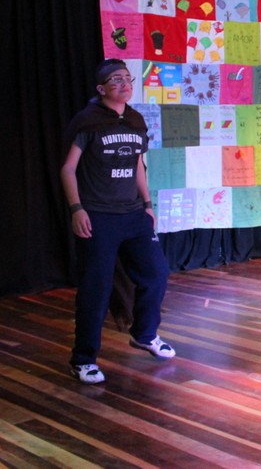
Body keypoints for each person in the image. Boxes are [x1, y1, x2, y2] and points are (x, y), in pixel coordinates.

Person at [60, 59, 174, 385]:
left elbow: (138, 165)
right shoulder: (88, 122)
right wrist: (77, 209)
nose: (124, 84)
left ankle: (144, 334)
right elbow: (68, 168)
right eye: (116, 80)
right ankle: (83, 360)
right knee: (96, 289)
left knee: (156, 273)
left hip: (133, 214)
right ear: (102, 88)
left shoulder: (135, 120)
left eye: (127, 78)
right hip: (98, 215)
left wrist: (148, 204)